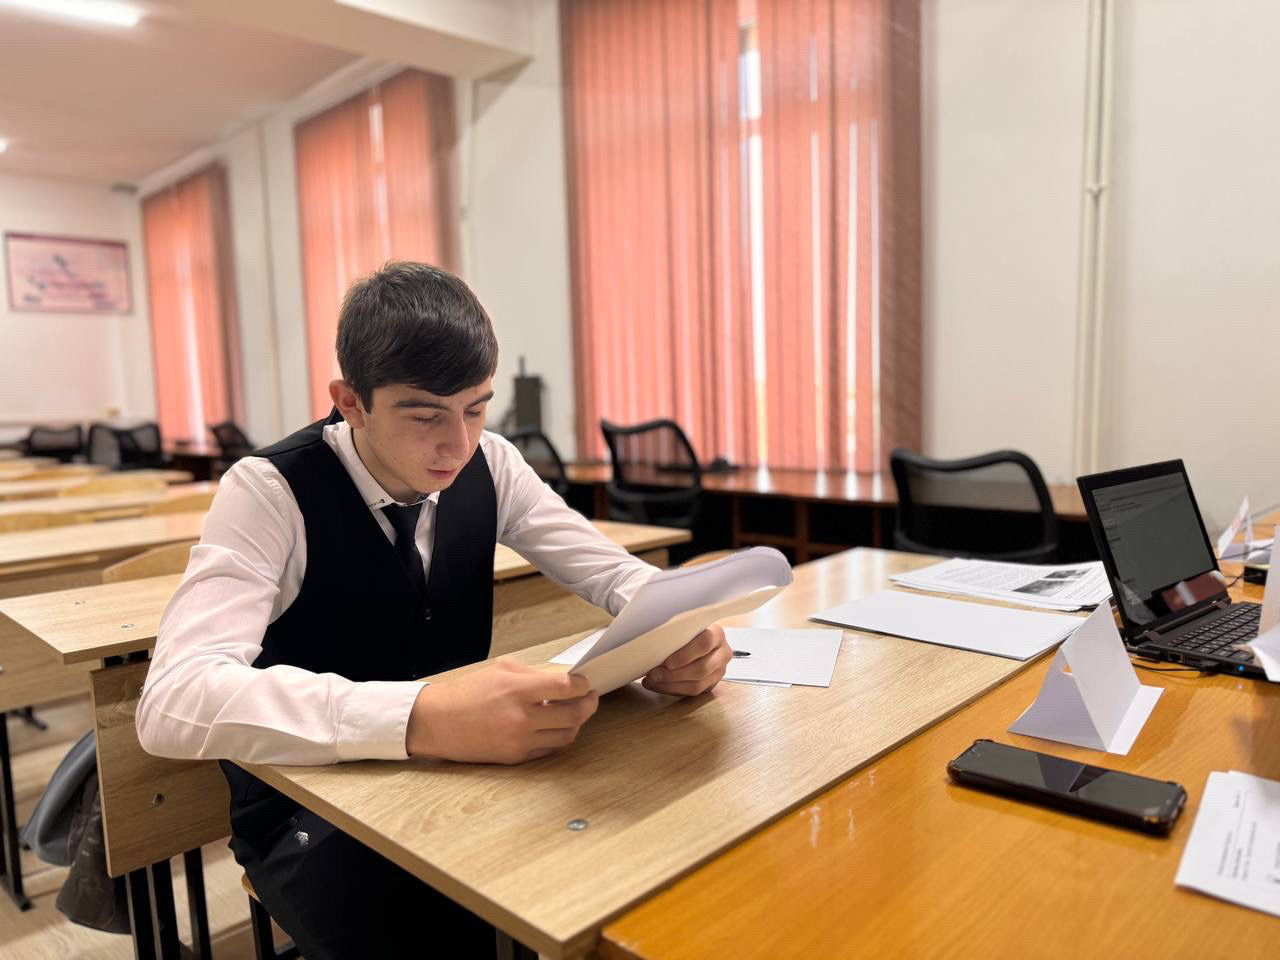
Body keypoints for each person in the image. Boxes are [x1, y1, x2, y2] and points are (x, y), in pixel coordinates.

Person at [136, 261, 732, 958]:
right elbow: (172, 700)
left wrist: (676, 626)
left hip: (468, 775)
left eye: (476, 409)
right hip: (314, 807)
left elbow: (613, 571)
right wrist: (418, 715)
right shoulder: (269, 491)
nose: (459, 444)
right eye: (424, 415)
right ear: (351, 402)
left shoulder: (493, 463)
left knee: (638, 869)